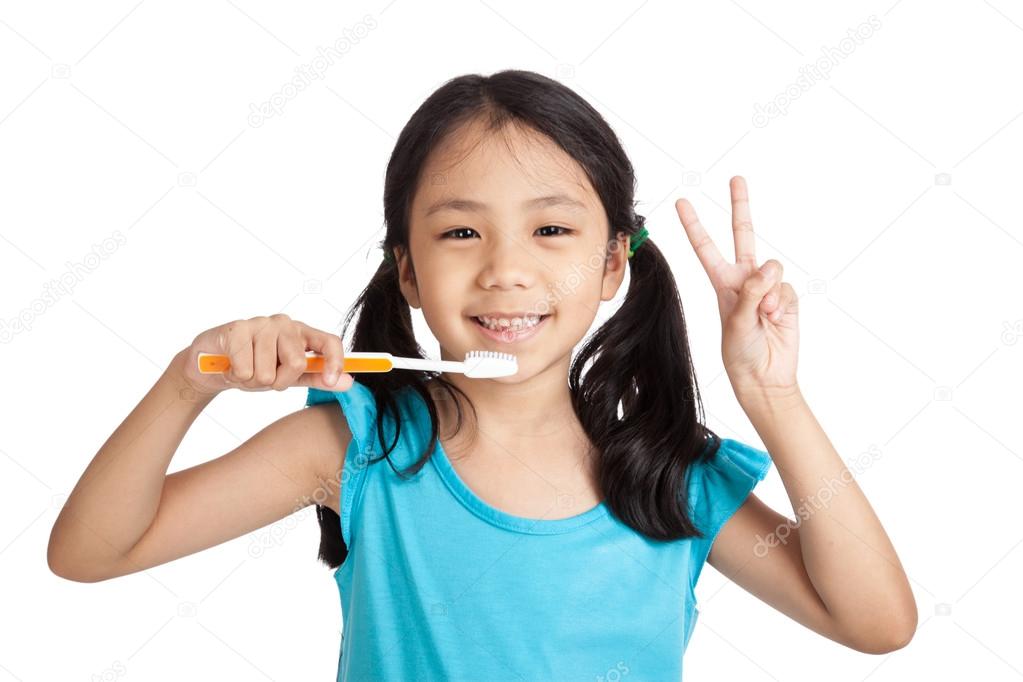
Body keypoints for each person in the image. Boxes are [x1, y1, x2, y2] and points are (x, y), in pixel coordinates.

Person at [48, 69, 917, 680]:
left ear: (614, 264)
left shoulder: (667, 473)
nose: (506, 269)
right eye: (461, 233)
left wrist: (774, 398)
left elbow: (875, 624)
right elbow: (91, 552)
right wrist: (186, 381)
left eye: (551, 231)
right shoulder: (354, 448)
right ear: (409, 271)